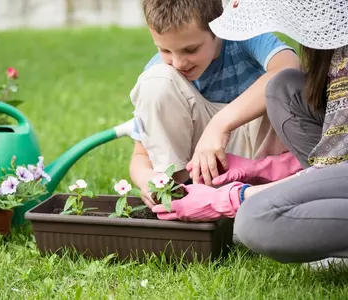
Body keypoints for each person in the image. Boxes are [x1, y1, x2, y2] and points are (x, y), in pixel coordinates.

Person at [153, 0, 348, 264]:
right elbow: (337, 150)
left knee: (255, 219)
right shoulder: (337, 48)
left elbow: (338, 165)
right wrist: (265, 169)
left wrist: (233, 197)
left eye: (191, 49)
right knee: (284, 88)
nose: (178, 62)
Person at [129, 0, 301, 207]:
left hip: (261, 161)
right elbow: (140, 155)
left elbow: (290, 67)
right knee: (155, 82)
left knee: (283, 85)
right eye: (164, 50)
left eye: (191, 49)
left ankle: (264, 193)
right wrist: (147, 178)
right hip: (197, 172)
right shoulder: (162, 73)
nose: (178, 63)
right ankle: (178, 194)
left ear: (218, 27)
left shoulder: (242, 34)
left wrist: (219, 125)